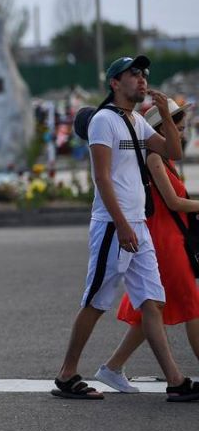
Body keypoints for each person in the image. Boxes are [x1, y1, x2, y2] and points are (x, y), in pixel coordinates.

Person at [51, 55, 199, 402]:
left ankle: (176, 381)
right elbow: (102, 177)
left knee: (153, 301)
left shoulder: (135, 120)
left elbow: (172, 150)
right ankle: (67, 374)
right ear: (115, 83)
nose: (142, 79)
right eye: (133, 74)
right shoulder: (105, 120)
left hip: (137, 224)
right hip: (113, 225)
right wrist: (121, 224)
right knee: (97, 300)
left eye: (144, 73)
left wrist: (164, 113)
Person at [94, 99, 199, 393]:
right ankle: (114, 369)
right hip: (165, 239)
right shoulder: (154, 158)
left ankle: (112, 367)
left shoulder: (164, 159)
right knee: (191, 305)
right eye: (175, 122)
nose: (179, 128)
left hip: (167, 237)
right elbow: (173, 202)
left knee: (149, 310)